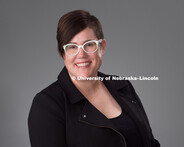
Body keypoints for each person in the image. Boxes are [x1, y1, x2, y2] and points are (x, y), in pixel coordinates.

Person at [28, 10, 160, 147]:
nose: (81, 55)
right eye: (72, 47)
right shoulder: (47, 104)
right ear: (63, 53)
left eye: (89, 45)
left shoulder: (123, 86)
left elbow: (150, 143)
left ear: (101, 47)